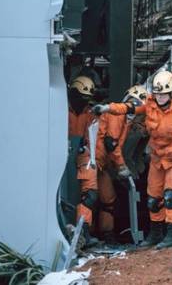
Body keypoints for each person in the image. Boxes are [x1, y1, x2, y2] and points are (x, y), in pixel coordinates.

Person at [94, 71, 172, 249]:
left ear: (171, 93)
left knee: (171, 196)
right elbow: (128, 108)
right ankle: (155, 234)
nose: (160, 97)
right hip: (158, 159)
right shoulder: (149, 105)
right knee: (153, 200)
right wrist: (108, 108)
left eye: (164, 94)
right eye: (157, 93)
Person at [95, 85, 147, 245]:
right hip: (94, 161)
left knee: (108, 200)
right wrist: (122, 167)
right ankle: (88, 235)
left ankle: (106, 235)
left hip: (101, 163)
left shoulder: (127, 121)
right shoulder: (117, 116)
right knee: (89, 198)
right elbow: (111, 144)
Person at [67, 75, 98, 248]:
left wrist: (85, 147)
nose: (84, 102)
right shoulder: (60, 109)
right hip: (61, 156)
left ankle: (83, 231)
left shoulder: (89, 114)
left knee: (89, 195)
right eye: (81, 98)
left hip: (82, 155)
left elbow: (92, 137)